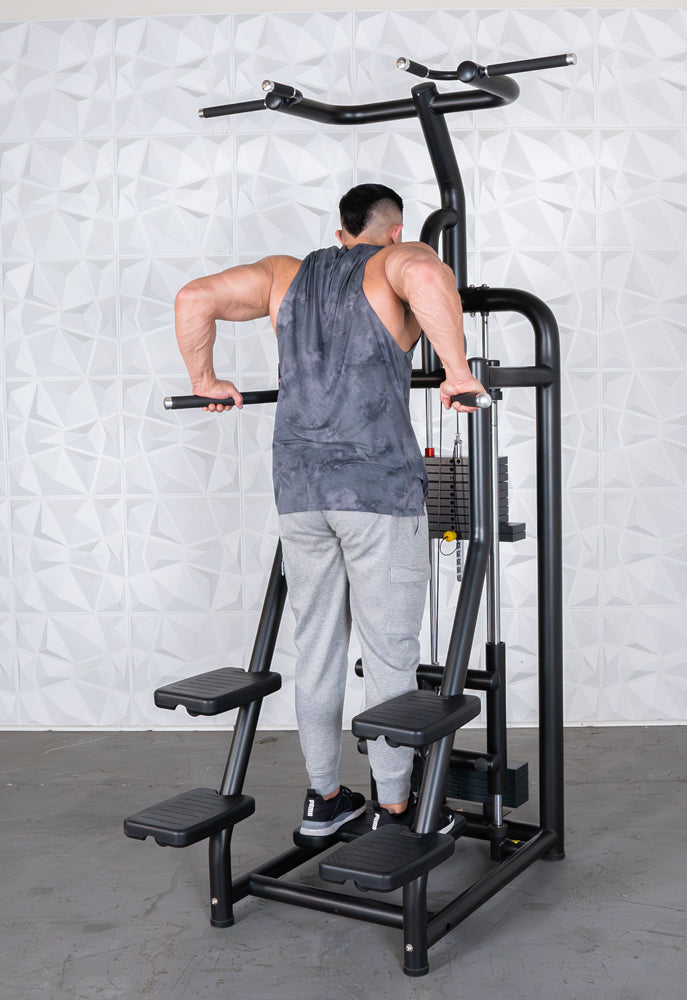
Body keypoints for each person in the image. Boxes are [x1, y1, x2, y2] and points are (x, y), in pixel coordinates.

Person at [174, 183, 486, 837]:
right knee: (390, 651)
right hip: (378, 492)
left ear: (339, 232)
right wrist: (455, 370)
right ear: (392, 231)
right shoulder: (396, 262)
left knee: (316, 645)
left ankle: (325, 798)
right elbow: (428, 272)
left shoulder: (284, 275)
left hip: (300, 489)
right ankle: (396, 807)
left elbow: (193, 298)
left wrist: (205, 382)